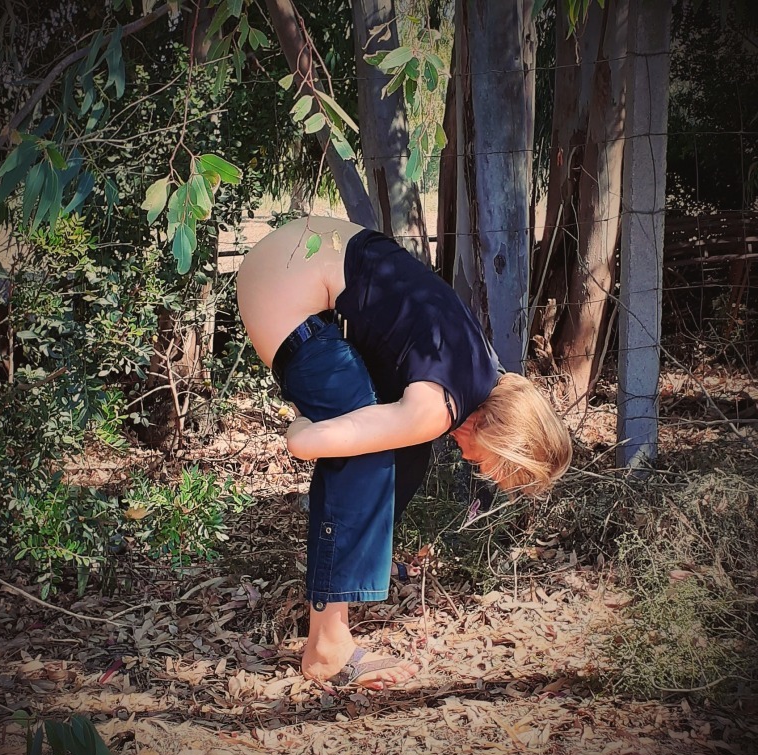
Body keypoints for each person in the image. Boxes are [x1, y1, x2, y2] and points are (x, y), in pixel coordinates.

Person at [237, 216, 571, 690]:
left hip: (305, 255)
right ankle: (326, 649)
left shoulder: (482, 367)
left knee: (407, 451)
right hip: (282, 289)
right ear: (498, 437)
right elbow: (303, 444)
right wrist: (307, 423)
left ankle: (354, 562)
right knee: (368, 457)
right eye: (489, 466)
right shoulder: (435, 409)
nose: (475, 467)